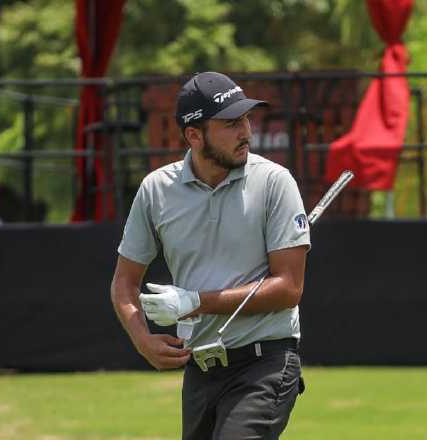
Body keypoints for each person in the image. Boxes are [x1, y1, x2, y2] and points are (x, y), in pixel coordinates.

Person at [110, 71, 310, 439]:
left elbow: (289, 287)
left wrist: (195, 302)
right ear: (194, 135)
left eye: (247, 120)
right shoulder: (156, 190)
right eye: (232, 123)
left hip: (265, 361)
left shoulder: (274, 182)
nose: (246, 132)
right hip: (201, 368)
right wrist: (142, 339)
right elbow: (124, 282)